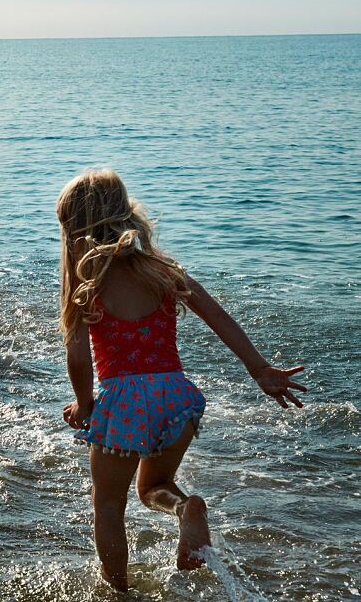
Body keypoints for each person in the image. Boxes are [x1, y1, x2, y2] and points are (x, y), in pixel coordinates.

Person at [56, 169, 307, 591]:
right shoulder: (163, 271)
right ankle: (184, 507)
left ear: (74, 230)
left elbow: (78, 357)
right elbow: (218, 317)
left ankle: (118, 592)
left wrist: (84, 404)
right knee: (153, 486)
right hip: (177, 397)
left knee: (109, 504)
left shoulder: (86, 283)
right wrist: (260, 369)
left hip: (124, 401)